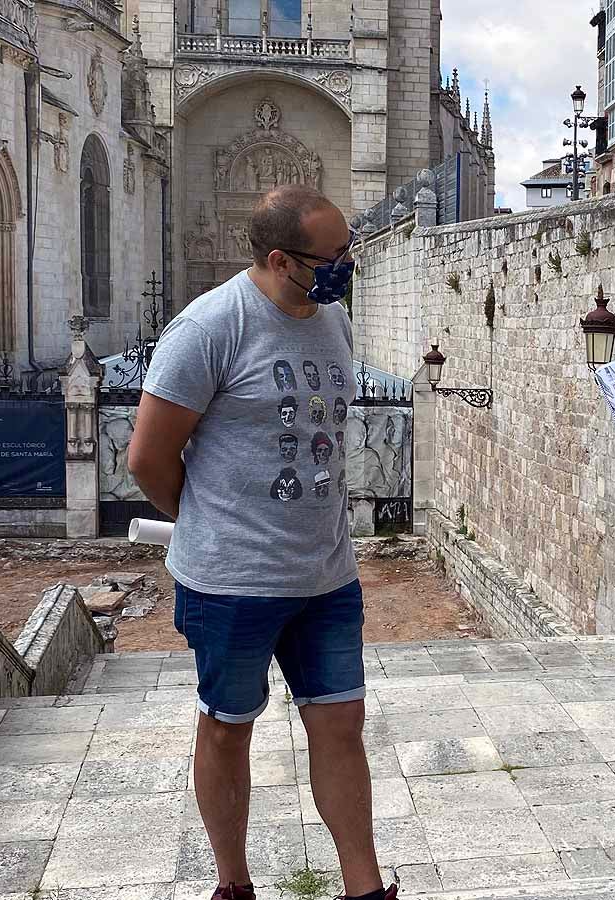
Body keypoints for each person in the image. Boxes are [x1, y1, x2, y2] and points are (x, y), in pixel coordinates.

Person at [128, 184, 394, 900]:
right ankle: (233, 883)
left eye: (351, 249)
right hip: (231, 584)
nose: (347, 266)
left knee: (341, 726)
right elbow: (147, 460)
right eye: (334, 255)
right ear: (280, 259)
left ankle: (365, 890)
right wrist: (214, 525)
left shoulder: (331, 319)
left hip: (327, 579)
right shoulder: (208, 330)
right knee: (228, 730)